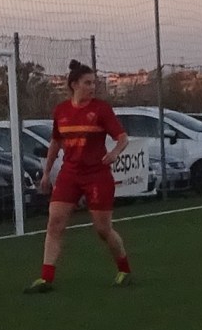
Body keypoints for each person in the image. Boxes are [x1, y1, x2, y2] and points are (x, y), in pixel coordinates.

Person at [25, 59, 132, 293]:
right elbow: (55, 142)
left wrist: (115, 152)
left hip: (97, 175)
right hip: (70, 174)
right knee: (55, 223)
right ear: (74, 85)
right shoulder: (61, 111)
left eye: (94, 83)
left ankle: (124, 269)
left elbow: (123, 138)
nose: (93, 87)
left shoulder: (101, 109)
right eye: (88, 83)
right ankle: (46, 278)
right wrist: (46, 173)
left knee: (102, 229)